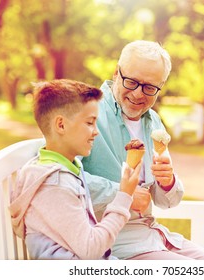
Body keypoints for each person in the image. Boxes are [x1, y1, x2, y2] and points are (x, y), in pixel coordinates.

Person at [29, 40, 204, 260]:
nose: (139, 94)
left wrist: (168, 182)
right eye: (131, 82)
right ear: (116, 73)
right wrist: (123, 193)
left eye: (150, 87)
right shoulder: (86, 115)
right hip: (116, 246)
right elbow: (62, 180)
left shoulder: (154, 122)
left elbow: (165, 201)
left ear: (160, 87)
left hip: (155, 235)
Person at [9, 79, 142, 259]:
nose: (96, 131)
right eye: (89, 123)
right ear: (61, 125)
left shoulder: (68, 169)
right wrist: (124, 196)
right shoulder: (54, 184)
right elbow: (91, 250)